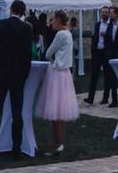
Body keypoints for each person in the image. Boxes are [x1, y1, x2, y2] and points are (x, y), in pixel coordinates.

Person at [0, 0, 33, 162]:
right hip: (17, 74)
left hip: (1, 72)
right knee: (17, 112)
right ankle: (16, 149)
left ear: (11, 10)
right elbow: (27, 54)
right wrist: (25, 74)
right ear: (23, 13)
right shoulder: (26, 28)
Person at [36, 11, 79, 156]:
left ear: (59, 20)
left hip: (57, 73)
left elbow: (48, 53)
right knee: (59, 109)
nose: (51, 22)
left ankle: (58, 143)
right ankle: (58, 142)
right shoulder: (68, 34)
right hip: (64, 73)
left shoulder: (61, 34)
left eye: (53, 19)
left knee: (56, 110)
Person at [84, 5, 112, 106]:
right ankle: (90, 98)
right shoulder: (97, 24)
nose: (104, 14)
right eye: (103, 12)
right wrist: (93, 49)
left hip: (106, 52)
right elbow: (94, 37)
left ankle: (105, 98)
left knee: (107, 75)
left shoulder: (111, 25)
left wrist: (106, 35)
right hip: (96, 52)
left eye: (105, 12)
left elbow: (112, 39)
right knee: (94, 75)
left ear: (109, 14)